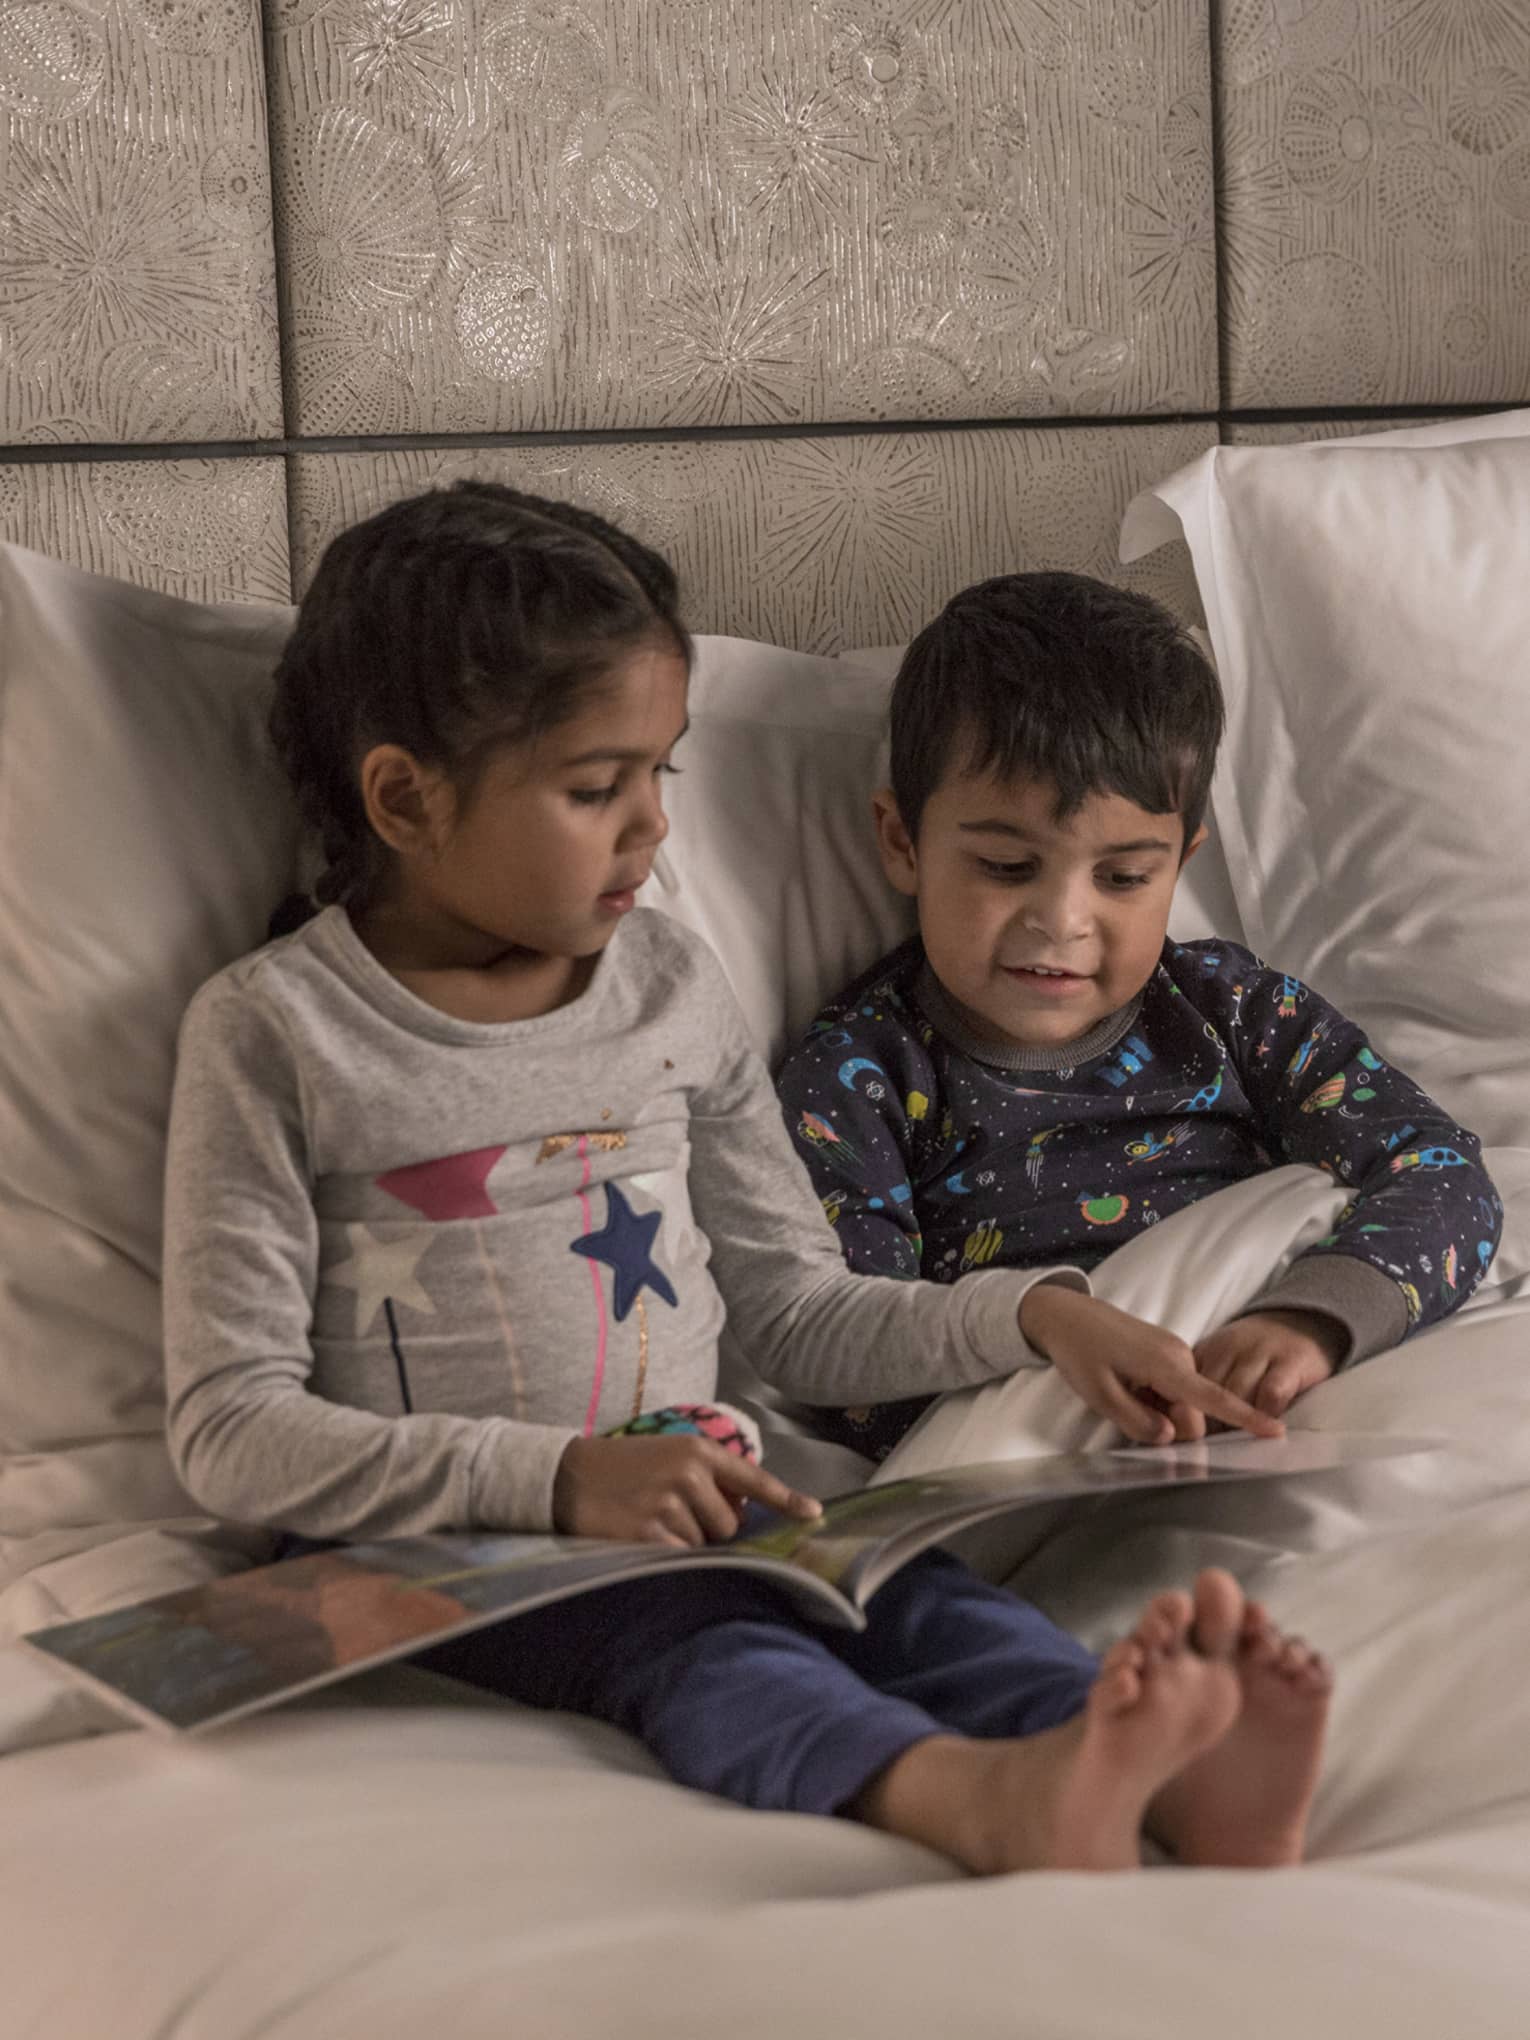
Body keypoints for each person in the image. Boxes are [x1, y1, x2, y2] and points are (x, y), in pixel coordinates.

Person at [162, 488, 1329, 1876]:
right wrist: (563, 1482)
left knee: (917, 1601)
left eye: (660, 773)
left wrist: (1032, 1315)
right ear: (406, 798)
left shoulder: (668, 983)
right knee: (707, 1647)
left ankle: (1158, 1777)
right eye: (596, 788)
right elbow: (229, 1431)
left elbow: (795, 1310)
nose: (653, 828)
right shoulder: (279, 1033)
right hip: (437, 1548)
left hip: (698, 1490)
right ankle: (971, 1801)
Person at [776, 572, 1503, 1466]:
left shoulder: (1235, 1011)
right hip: (1050, 1435)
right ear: (903, 843)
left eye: (1122, 878)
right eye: (1006, 866)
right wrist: (1058, 1351)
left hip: (1270, 1396)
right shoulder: (860, 1077)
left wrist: (1312, 1321)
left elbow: (1443, 1173)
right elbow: (844, 1349)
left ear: (1178, 865)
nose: (1063, 921)